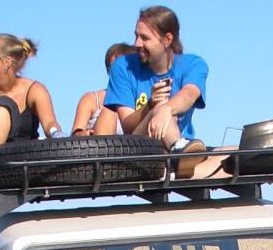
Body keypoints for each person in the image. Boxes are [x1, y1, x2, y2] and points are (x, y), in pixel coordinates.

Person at [103, 6, 208, 175]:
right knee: (159, 106)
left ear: (167, 39)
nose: (137, 43)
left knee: (232, 155)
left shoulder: (194, 64)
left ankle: (179, 155)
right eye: (136, 36)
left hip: (184, 145)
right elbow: (128, 126)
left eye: (144, 38)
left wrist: (167, 109)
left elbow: (189, 94)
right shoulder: (122, 66)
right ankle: (178, 152)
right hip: (139, 147)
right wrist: (151, 106)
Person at [0, 34, 63, 171]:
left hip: (22, 164)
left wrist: (56, 134)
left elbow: (49, 123)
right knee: (2, 106)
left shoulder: (35, 90)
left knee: (3, 105)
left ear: (6, 62)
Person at [71, 43, 135, 137]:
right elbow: (75, 133)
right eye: (114, 68)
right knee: (110, 111)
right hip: (100, 148)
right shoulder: (91, 99)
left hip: (135, 148)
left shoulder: (140, 97)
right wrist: (83, 134)